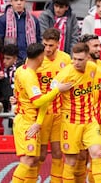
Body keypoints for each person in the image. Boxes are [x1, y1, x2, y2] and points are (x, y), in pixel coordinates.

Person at [12, 43, 71, 183]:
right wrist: (57, 90)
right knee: (28, 158)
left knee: (34, 158)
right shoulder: (29, 77)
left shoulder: (20, 70)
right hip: (26, 121)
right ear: (40, 57)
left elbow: (18, 94)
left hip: (29, 119)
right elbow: (38, 102)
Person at [52, 43, 101, 183]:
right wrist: (58, 88)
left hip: (89, 120)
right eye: (74, 59)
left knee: (97, 153)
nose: (76, 62)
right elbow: (50, 91)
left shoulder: (93, 68)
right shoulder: (66, 73)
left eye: (80, 59)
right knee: (71, 160)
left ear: (88, 57)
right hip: (71, 122)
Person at [36, 28, 72, 182]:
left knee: (58, 152)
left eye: (51, 45)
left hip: (60, 112)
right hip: (41, 113)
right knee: (41, 154)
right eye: (45, 45)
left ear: (58, 43)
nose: (47, 49)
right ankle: (31, 178)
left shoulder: (66, 59)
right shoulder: (36, 59)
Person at [0, 0, 41, 65]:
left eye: (21, 0)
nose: (19, 3)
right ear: (11, 2)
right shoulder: (2, 20)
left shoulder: (34, 20)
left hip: (29, 59)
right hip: (10, 61)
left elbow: (38, 40)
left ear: (25, 1)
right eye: (16, 0)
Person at [2, 43, 18, 135]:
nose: (4, 61)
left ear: (15, 58)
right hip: (5, 103)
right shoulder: (0, 69)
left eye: (8, 59)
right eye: (3, 58)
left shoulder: (20, 70)